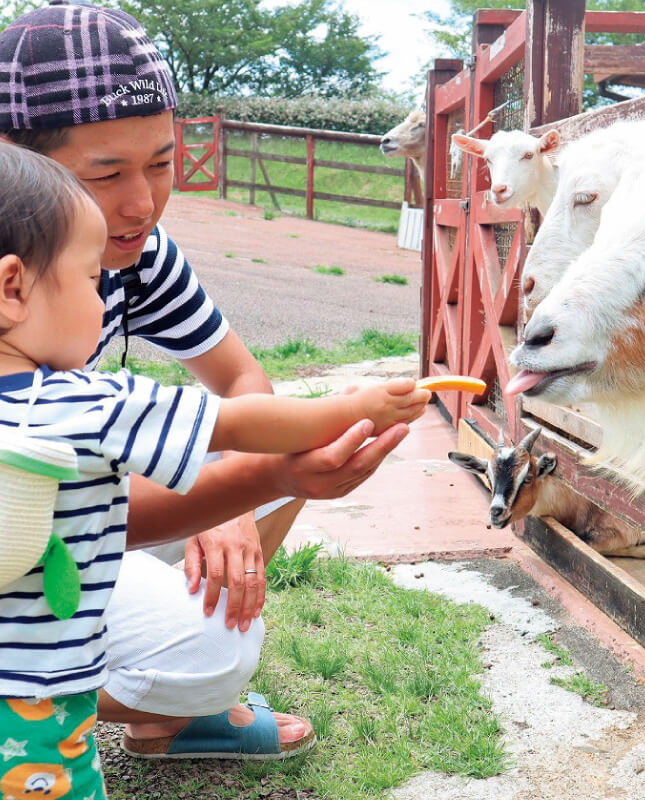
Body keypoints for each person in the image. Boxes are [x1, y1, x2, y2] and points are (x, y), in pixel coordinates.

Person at [0, 2, 410, 759]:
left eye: (160, 162)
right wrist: (238, 482)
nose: (142, 204)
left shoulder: (139, 253)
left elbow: (241, 377)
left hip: (57, 539)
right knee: (270, 473)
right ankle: (34, 705)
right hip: (15, 546)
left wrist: (235, 491)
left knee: (287, 446)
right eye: (106, 173)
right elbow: (32, 523)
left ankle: (165, 714)